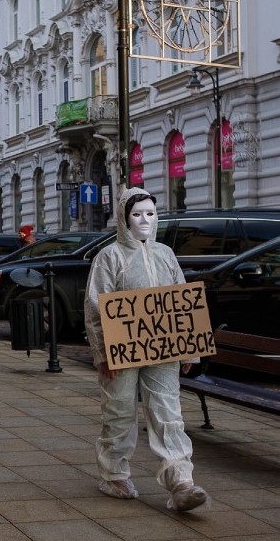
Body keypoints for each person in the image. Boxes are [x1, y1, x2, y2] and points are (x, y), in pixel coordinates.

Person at [84, 187, 208, 512]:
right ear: (124, 219)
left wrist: (189, 350)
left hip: (163, 351)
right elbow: (96, 310)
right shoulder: (109, 257)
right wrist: (103, 354)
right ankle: (113, 475)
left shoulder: (166, 254)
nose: (145, 220)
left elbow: (182, 302)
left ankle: (181, 481)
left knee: (169, 414)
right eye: (137, 214)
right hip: (121, 352)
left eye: (150, 214)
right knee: (119, 412)